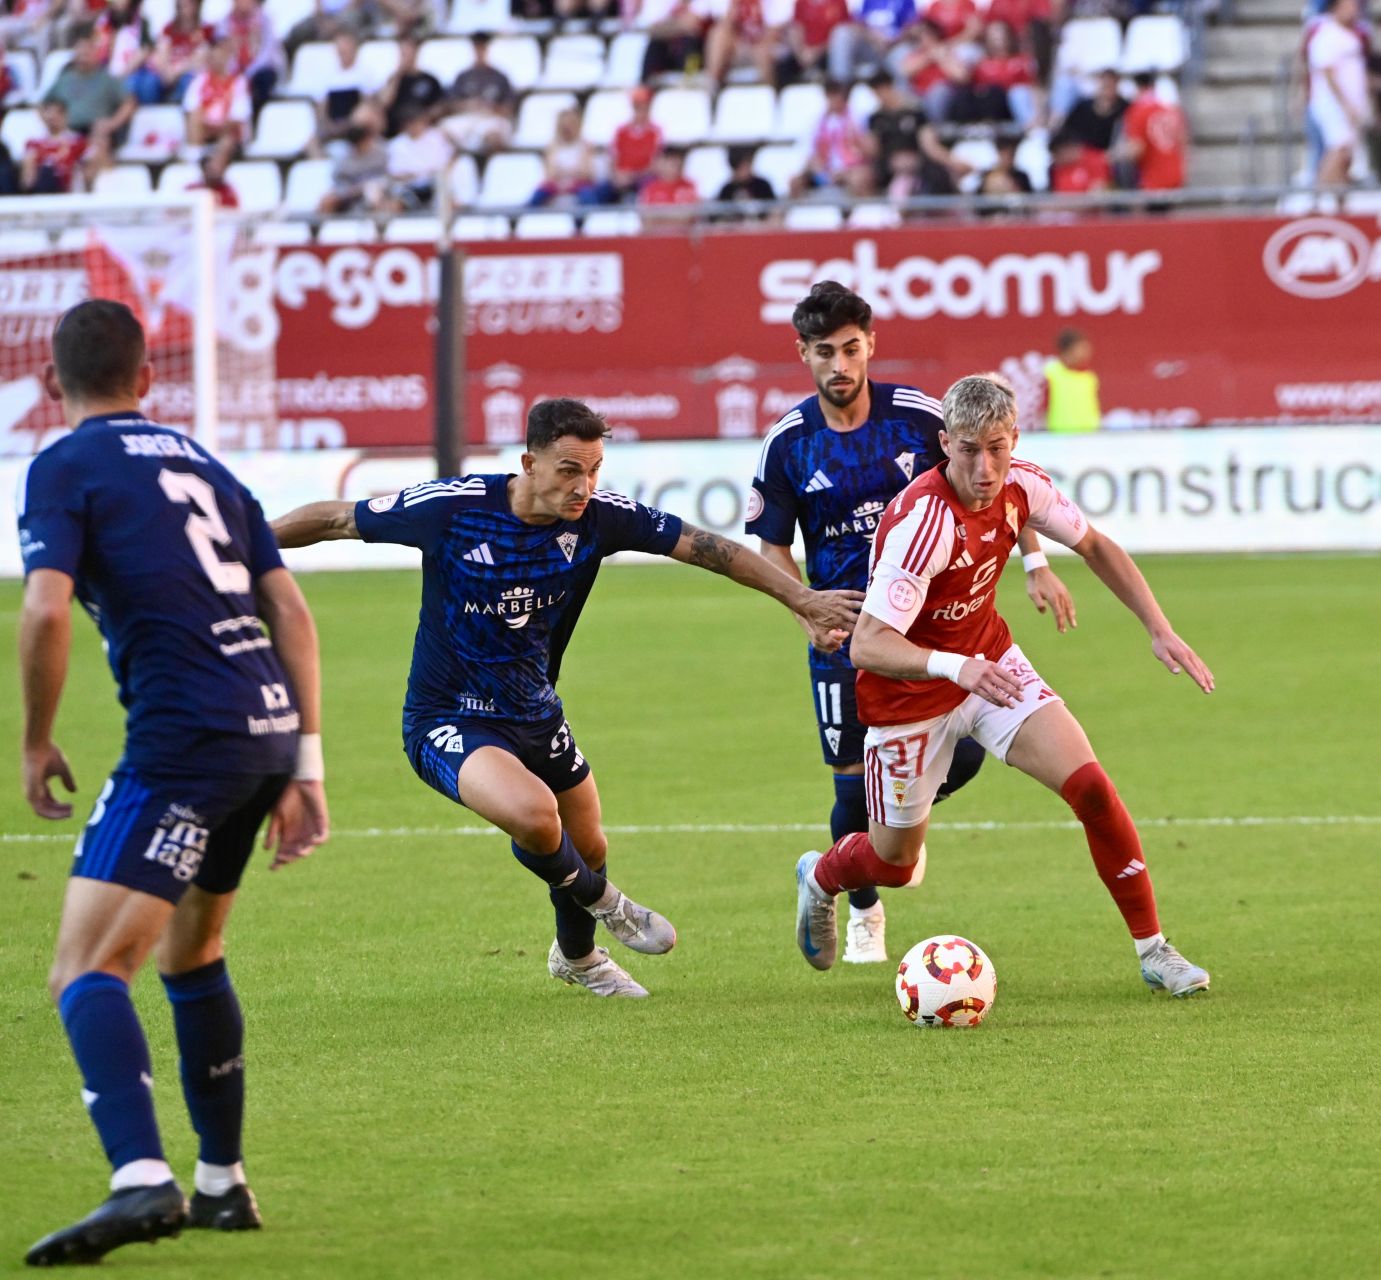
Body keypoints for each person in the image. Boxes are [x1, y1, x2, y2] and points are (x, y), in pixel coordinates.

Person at [270, 400, 861, 999]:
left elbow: (708, 547)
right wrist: (245, 545)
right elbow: (336, 520)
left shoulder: (600, 518)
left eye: (595, 469)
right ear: (529, 462)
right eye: (568, 470)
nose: (584, 486)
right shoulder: (451, 509)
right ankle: (607, 903)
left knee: (589, 842)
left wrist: (801, 599)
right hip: (446, 719)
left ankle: (578, 959)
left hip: (535, 712)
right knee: (533, 816)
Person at [18, 299, 330, 1265]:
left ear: (49, 387)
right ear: (149, 378)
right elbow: (292, 608)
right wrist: (305, 763)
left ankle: (139, 1181)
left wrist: (34, 741)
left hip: (184, 739)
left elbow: (42, 610)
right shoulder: (202, 460)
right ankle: (222, 1186)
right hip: (266, 729)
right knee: (191, 956)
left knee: (84, 969)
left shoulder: (62, 465)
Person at [790, 374, 1212, 994]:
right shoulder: (922, 524)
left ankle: (1155, 950)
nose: (985, 468)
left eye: (997, 447)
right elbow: (869, 644)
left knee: (1092, 788)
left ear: (1014, 438)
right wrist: (955, 668)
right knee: (895, 865)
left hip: (992, 663)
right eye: (968, 450)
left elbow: (1095, 545)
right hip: (909, 697)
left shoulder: (1024, 483)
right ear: (944, 445)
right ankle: (821, 877)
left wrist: (1158, 627)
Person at [748, 285, 1073, 965]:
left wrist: (1036, 558)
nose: (840, 364)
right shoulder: (788, 444)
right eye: (824, 352)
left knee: (970, 752)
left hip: (931, 625)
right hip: (846, 634)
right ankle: (862, 904)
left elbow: (992, 483)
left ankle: (897, 825)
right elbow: (771, 542)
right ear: (803, 354)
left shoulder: (918, 419)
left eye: (851, 348)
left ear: (870, 346)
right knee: (847, 784)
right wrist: (801, 605)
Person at [1308, 0, 1371, 185]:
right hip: (1334, 105)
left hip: (1350, 104)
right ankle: (1321, 199)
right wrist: (1345, 105)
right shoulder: (1327, 35)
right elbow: (1328, 74)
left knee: (1347, 157)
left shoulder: (1350, 34)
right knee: (1338, 149)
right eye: (1349, 5)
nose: (1355, 9)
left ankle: (1339, 203)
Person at [1043, 329, 1100, 432]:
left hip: (1088, 435)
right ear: (1068, 350)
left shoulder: (1089, 377)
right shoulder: (1051, 373)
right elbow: (1042, 407)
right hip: (1059, 435)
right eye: (1080, 348)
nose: (1085, 353)